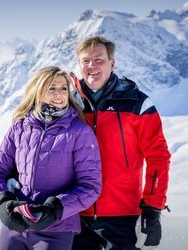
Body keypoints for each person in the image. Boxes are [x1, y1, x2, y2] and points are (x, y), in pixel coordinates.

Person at [0, 66, 102, 250]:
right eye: (51, 88)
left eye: (63, 88)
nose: (59, 94)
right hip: (15, 226)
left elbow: (91, 186)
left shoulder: (79, 132)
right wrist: (2, 201)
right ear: (38, 91)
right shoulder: (20, 127)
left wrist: (55, 209)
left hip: (56, 229)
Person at [70, 36, 171, 250]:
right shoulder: (67, 103)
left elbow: (158, 157)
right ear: (79, 65)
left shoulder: (137, 103)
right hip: (74, 214)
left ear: (112, 63)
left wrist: (153, 208)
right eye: (85, 61)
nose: (91, 66)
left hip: (122, 217)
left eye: (98, 59)